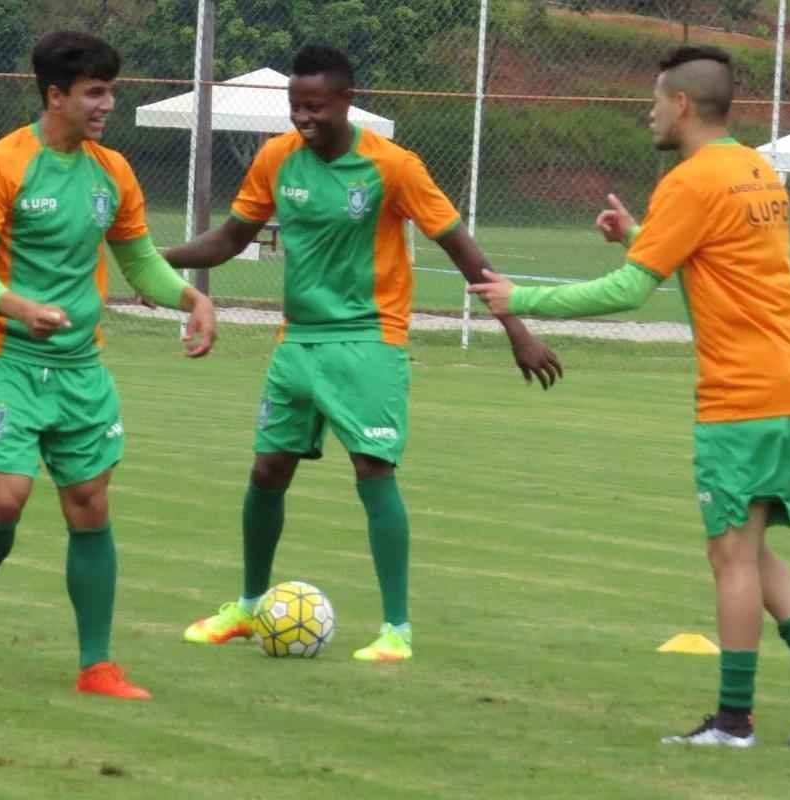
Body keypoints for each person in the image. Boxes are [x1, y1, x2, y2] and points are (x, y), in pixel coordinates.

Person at [468, 45, 790, 746]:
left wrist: (514, 296)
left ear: (680, 104)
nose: (647, 111)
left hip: (742, 389)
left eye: (653, 99)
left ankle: (734, 724)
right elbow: (723, 256)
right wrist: (640, 237)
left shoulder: (689, 180)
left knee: (728, 554)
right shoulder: (754, 169)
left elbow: (625, 293)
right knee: (750, 541)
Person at [167, 44, 561, 662]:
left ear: (348, 102)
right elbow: (228, 240)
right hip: (296, 342)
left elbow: (460, 246)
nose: (303, 118)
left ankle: (396, 631)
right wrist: (149, 261)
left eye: (316, 107)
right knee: (268, 469)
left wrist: (515, 327)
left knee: (374, 471)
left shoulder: (393, 167)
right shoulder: (277, 159)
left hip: (369, 342)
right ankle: (247, 608)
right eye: (296, 107)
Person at [0, 30, 217, 700]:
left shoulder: (112, 172)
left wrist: (190, 298)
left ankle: (97, 665)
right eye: (94, 92)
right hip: (1, 355)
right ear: (55, 95)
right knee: (6, 499)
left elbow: (139, 261)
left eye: (110, 91)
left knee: (90, 504)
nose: (107, 104)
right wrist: (16, 305)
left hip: (79, 368)